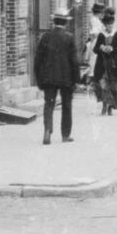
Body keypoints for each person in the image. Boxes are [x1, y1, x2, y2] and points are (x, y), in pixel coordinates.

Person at [33, 12, 78, 145]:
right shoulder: (69, 37)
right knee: (67, 106)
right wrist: (76, 79)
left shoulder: (45, 37)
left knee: (49, 104)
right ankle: (65, 135)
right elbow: (74, 61)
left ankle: (47, 130)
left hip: (49, 78)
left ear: (54, 22)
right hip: (66, 78)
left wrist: (39, 79)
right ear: (65, 23)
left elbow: (38, 60)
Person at [91, 14, 117, 114]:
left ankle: (111, 106)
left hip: (113, 64)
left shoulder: (116, 34)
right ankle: (104, 105)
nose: (110, 27)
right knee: (103, 85)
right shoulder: (101, 35)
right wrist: (101, 48)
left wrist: (112, 49)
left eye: (111, 25)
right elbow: (95, 49)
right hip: (102, 64)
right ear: (105, 26)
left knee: (112, 85)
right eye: (108, 25)